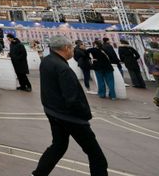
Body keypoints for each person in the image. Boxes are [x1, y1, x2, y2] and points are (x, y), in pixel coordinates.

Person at [32, 35, 108, 176]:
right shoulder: (63, 68)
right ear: (66, 48)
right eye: (71, 47)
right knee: (96, 155)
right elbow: (72, 98)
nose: (73, 50)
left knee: (58, 146)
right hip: (70, 117)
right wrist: (85, 115)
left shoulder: (47, 61)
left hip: (53, 111)